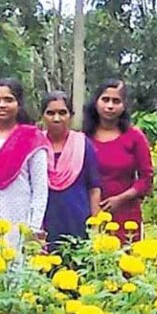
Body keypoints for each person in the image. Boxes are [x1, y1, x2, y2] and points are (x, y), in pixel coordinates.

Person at [0, 78, 49, 250]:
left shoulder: (32, 138)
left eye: (8, 100)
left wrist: (33, 229)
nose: (2, 105)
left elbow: (40, 191)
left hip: (21, 222)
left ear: (19, 104)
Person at [83, 79, 153, 242]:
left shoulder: (135, 137)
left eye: (116, 101)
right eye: (105, 100)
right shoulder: (83, 138)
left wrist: (120, 199)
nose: (110, 106)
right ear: (96, 102)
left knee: (127, 262)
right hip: (90, 214)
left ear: (124, 106)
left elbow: (146, 179)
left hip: (126, 216)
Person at [41, 91, 102, 249]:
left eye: (62, 113)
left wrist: (95, 227)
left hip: (78, 220)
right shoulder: (35, 145)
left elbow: (94, 188)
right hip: (44, 222)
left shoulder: (83, 144)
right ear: (42, 116)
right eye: (50, 113)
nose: (56, 118)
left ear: (71, 116)